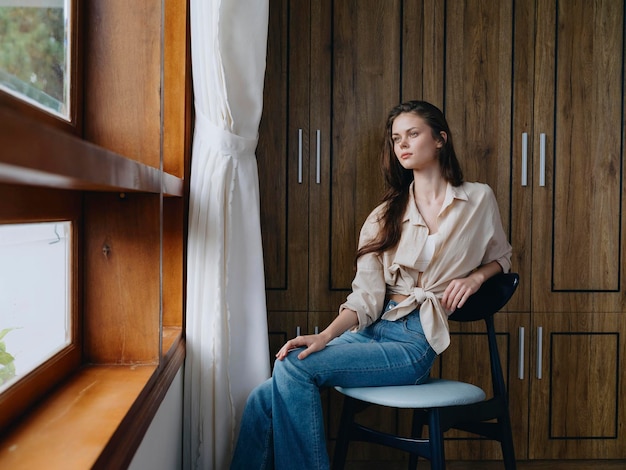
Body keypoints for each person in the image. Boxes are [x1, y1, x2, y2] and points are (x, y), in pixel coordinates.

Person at [230, 100, 512, 469]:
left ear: (441, 139)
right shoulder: (385, 215)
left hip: (414, 342)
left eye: (413, 134)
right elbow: (365, 296)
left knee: (292, 369)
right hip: (371, 330)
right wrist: (326, 336)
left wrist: (476, 277)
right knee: (262, 398)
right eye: (396, 138)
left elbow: (503, 257)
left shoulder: (478, 198)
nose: (402, 145)